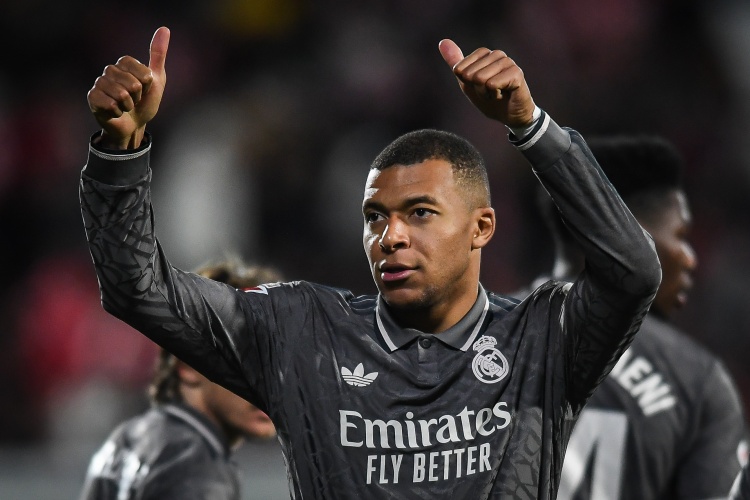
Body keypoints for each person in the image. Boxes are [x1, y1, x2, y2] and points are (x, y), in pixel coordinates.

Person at [79, 27, 660, 498]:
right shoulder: (302, 333)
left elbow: (633, 269)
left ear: (481, 227)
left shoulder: (543, 339)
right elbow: (138, 288)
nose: (390, 236)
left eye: (420, 213)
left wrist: (532, 128)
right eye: (375, 217)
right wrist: (119, 153)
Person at [517, 135, 747, 499]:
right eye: (679, 235)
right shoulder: (696, 381)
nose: (690, 258)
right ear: (624, 236)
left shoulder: (479, 334)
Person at [78, 259, 280, 500]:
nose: (271, 385)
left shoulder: (126, 439)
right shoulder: (197, 468)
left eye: (279, 364)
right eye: (249, 361)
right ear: (188, 365)